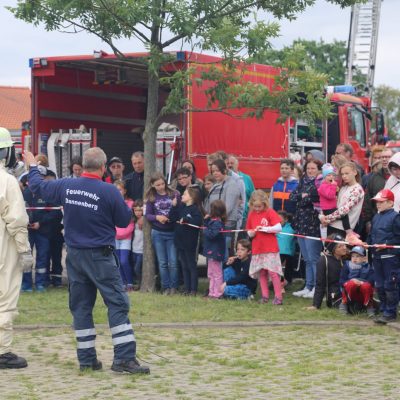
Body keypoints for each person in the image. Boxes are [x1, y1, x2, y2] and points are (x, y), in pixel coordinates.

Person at [24, 147, 149, 374]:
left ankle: (87, 360)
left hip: (74, 256)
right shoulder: (109, 190)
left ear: (82, 166)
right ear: (103, 168)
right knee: (117, 303)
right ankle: (124, 358)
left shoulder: (65, 185)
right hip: (100, 256)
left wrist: (33, 166)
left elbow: (37, 186)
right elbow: (123, 221)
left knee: (81, 307)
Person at [0, 127, 33, 369]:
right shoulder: (7, 181)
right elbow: (17, 219)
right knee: (5, 295)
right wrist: (24, 250)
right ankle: (2, 351)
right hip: (5, 245)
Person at [290, 160, 322, 299]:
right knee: (306, 258)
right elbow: (292, 197)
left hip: (313, 224)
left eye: (313, 168)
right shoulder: (302, 181)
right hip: (300, 224)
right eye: (308, 168)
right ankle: (308, 286)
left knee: (314, 258)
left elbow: (310, 200)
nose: (310, 171)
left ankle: (317, 287)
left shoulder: (319, 183)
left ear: (319, 169)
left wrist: (302, 197)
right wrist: (302, 197)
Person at [22, 166, 57, 292]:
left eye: (41, 178)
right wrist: (25, 223)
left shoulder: (48, 193)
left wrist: (40, 223)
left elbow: (55, 213)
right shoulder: (22, 193)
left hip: (43, 232)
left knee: (42, 257)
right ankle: (26, 285)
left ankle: (40, 284)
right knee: (26, 258)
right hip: (26, 232)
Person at [144, 172, 180, 295]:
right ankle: (165, 287)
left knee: (173, 261)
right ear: (153, 185)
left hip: (172, 232)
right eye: (157, 185)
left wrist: (173, 214)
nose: (161, 186)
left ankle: (174, 286)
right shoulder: (151, 198)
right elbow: (148, 214)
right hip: (158, 232)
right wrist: (157, 217)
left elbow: (179, 209)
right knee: (163, 262)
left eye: (162, 183)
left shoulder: (174, 194)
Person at [247, 190, 283, 305]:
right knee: (261, 272)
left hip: (270, 248)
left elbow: (278, 227)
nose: (257, 209)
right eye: (255, 206)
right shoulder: (251, 214)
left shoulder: (270, 212)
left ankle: (278, 297)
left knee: (273, 272)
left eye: (259, 206)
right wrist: (251, 233)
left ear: (265, 204)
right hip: (258, 248)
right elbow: (248, 230)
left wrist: (266, 229)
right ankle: (265, 296)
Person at [369, 189, 400, 324]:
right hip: (376, 257)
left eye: (381, 202)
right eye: (377, 202)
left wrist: (386, 244)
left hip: (390, 258)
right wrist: (366, 243)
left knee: (390, 285)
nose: (378, 204)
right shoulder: (376, 217)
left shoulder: (396, 217)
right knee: (380, 285)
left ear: (390, 203)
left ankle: (391, 312)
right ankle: (383, 309)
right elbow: (372, 235)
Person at [204, 159, 242, 256]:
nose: (215, 173)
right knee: (214, 252)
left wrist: (215, 218)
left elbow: (228, 207)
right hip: (214, 223)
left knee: (224, 252)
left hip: (227, 224)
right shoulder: (215, 185)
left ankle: (225, 271)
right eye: (213, 171)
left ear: (224, 170)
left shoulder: (231, 184)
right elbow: (208, 204)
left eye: (217, 170)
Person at [170, 187, 203, 296]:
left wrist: (187, 219)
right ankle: (187, 288)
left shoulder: (195, 209)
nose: (182, 196)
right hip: (180, 241)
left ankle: (193, 289)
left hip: (189, 242)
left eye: (185, 194)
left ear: (192, 197)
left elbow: (197, 222)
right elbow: (172, 217)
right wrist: (173, 207)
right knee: (183, 265)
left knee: (191, 265)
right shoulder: (181, 207)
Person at [320, 162, 364, 238]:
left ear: (355, 172)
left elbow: (344, 210)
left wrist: (327, 218)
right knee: (329, 249)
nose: (344, 176)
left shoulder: (357, 189)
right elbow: (333, 204)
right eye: (342, 174)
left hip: (343, 228)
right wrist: (323, 216)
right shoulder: (343, 187)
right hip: (332, 224)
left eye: (347, 173)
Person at [306, 234, 347, 311]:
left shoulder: (347, 258)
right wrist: (316, 305)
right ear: (333, 249)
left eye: (345, 245)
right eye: (340, 246)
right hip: (334, 296)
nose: (344, 248)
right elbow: (320, 284)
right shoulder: (324, 261)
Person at [339, 246, 375, 317]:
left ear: (364, 258)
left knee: (367, 285)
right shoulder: (346, 265)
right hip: (350, 292)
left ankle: (369, 307)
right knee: (351, 283)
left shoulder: (368, 267)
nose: (354, 258)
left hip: (363, 293)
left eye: (357, 256)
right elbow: (342, 281)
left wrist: (361, 282)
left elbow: (372, 281)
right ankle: (344, 304)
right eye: (353, 256)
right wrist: (351, 281)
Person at [364, 148, 393, 231]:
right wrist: (368, 221)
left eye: (387, 157)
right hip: (377, 219)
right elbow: (368, 199)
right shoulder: (374, 177)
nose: (384, 159)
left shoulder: (396, 177)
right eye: (382, 157)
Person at [202, 200, 226, 299]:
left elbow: (212, 235)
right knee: (210, 273)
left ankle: (218, 293)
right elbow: (209, 227)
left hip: (216, 252)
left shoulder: (218, 223)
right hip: (211, 251)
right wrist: (206, 221)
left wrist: (205, 229)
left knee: (217, 273)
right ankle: (211, 292)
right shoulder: (213, 221)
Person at [114, 180, 135, 291]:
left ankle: (130, 282)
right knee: (117, 262)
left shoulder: (130, 204)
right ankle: (122, 283)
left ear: (124, 191)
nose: (118, 192)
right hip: (115, 237)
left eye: (120, 189)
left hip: (126, 237)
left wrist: (126, 232)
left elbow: (132, 221)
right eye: (116, 190)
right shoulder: (111, 203)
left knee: (124, 261)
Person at [277, 210, 296, 286]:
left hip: (288, 252)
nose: (278, 220)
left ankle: (286, 281)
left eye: (280, 218)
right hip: (277, 252)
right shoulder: (274, 227)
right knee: (277, 268)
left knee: (288, 267)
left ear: (286, 219)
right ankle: (280, 282)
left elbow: (289, 236)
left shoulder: (291, 227)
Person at [131, 200, 144, 290]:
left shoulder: (144, 221)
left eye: (140, 210)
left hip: (141, 250)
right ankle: (136, 282)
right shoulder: (133, 221)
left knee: (137, 268)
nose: (138, 213)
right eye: (136, 210)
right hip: (134, 249)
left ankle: (140, 283)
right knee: (134, 267)